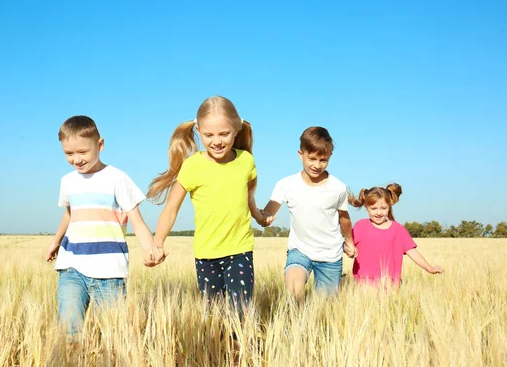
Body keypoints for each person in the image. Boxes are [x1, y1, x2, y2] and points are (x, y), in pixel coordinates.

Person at [45, 115, 158, 338]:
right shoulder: (68, 181)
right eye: (69, 153)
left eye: (83, 152)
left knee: (113, 334)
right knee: (69, 330)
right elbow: (70, 213)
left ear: (100, 145)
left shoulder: (117, 178)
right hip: (71, 266)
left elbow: (135, 218)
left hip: (109, 270)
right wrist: (55, 242)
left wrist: (149, 248)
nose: (76, 159)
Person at [147, 96, 262, 316]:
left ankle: (239, 348)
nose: (216, 141)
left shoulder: (246, 160)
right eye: (209, 135)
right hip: (206, 254)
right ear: (198, 131)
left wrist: (257, 215)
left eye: (224, 133)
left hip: (240, 250)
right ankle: (219, 350)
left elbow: (247, 194)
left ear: (236, 129)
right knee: (213, 314)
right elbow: (171, 208)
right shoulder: (192, 166)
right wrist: (157, 242)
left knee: (240, 312)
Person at [259, 127, 355, 300]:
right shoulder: (285, 184)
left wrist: (349, 241)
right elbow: (267, 213)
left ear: (330, 157)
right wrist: (261, 216)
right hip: (300, 250)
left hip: (330, 255)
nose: (317, 165)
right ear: (300, 154)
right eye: (312, 159)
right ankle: (292, 325)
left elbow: (344, 217)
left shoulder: (338, 188)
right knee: (293, 291)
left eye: (323, 160)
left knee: (324, 307)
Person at [348, 184, 443, 285]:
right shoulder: (361, 226)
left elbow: (412, 251)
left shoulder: (397, 229)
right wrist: (348, 250)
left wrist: (429, 268)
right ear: (366, 208)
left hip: (390, 285)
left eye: (383, 208)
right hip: (364, 284)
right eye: (374, 208)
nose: (379, 212)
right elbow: (348, 244)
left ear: (389, 207)